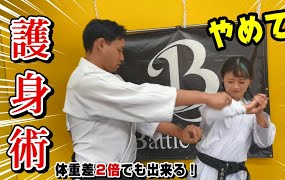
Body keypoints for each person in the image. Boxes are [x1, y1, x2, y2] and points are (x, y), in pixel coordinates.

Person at [62, 18, 242, 167]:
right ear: (100, 44)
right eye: (119, 50)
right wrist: (207, 97)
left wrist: (179, 132)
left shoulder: (112, 81)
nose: (122, 58)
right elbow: (143, 97)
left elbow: (137, 116)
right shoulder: (86, 82)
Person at [187, 56, 276, 180]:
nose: (235, 86)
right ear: (223, 79)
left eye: (241, 82)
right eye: (230, 81)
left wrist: (259, 113)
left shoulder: (252, 109)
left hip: (236, 174)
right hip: (205, 171)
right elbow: (212, 114)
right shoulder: (213, 103)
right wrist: (247, 108)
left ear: (249, 81)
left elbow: (264, 142)